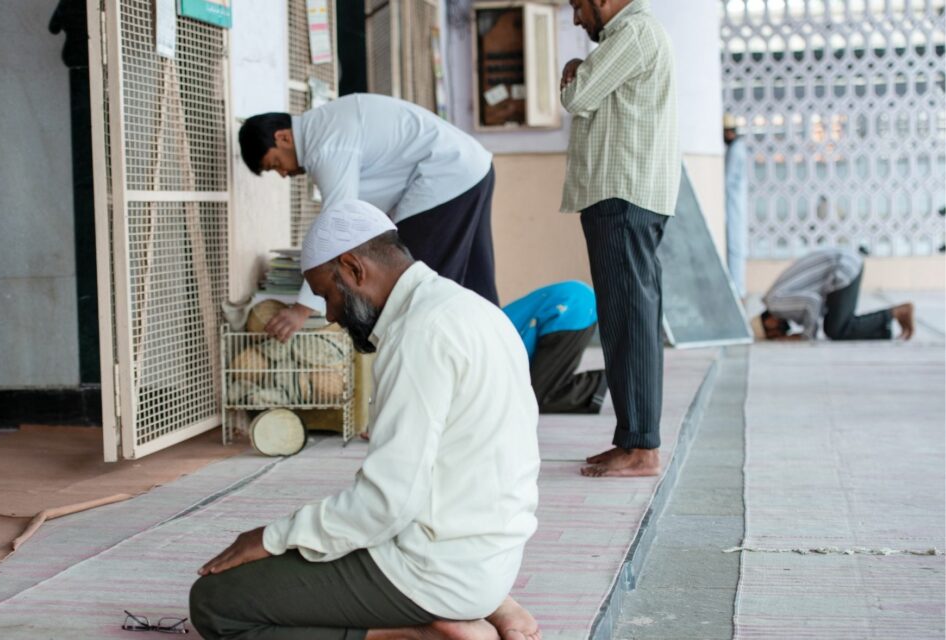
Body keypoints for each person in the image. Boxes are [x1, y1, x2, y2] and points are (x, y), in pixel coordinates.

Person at [190, 200, 542, 640]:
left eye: (326, 295)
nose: (330, 315)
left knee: (216, 603)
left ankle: (419, 633)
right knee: (322, 545)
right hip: (492, 557)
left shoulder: (418, 334)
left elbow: (385, 505)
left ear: (354, 268)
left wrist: (271, 537)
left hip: (434, 570)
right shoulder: (472, 308)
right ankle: (489, 604)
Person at [238, 94, 498, 343]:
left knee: (417, 287)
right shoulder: (328, 123)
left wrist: (301, 310)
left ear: (283, 137)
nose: (283, 174)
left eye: (275, 164)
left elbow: (337, 226)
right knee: (476, 281)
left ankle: (442, 354)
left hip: (446, 177)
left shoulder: (325, 143)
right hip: (473, 168)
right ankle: (498, 341)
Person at [559, 0, 680, 478]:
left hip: (623, 195)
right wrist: (583, 66)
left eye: (578, 5)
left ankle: (641, 448)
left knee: (629, 321)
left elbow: (577, 96)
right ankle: (633, 440)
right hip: (624, 196)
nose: (576, 19)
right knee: (628, 320)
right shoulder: (628, 38)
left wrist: (577, 71)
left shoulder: (634, 33)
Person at [752, 247, 914, 342]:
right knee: (835, 326)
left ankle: (897, 312)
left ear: (769, 323)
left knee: (836, 329)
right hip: (842, 264)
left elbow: (812, 303)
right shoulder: (775, 298)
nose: (781, 335)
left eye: (773, 335)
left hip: (841, 267)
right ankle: (882, 331)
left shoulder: (775, 303)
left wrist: (806, 337)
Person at [503, 281, 608, 413]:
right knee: (531, 394)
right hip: (571, 303)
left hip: (568, 309)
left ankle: (607, 381)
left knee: (533, 398)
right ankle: (607, 382)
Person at [723, 113, 748, 297]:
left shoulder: (735, 150)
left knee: (735, 248)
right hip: (735, 204)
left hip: (734, 205)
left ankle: (737, 291)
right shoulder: (738, 148)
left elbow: (727, 180)